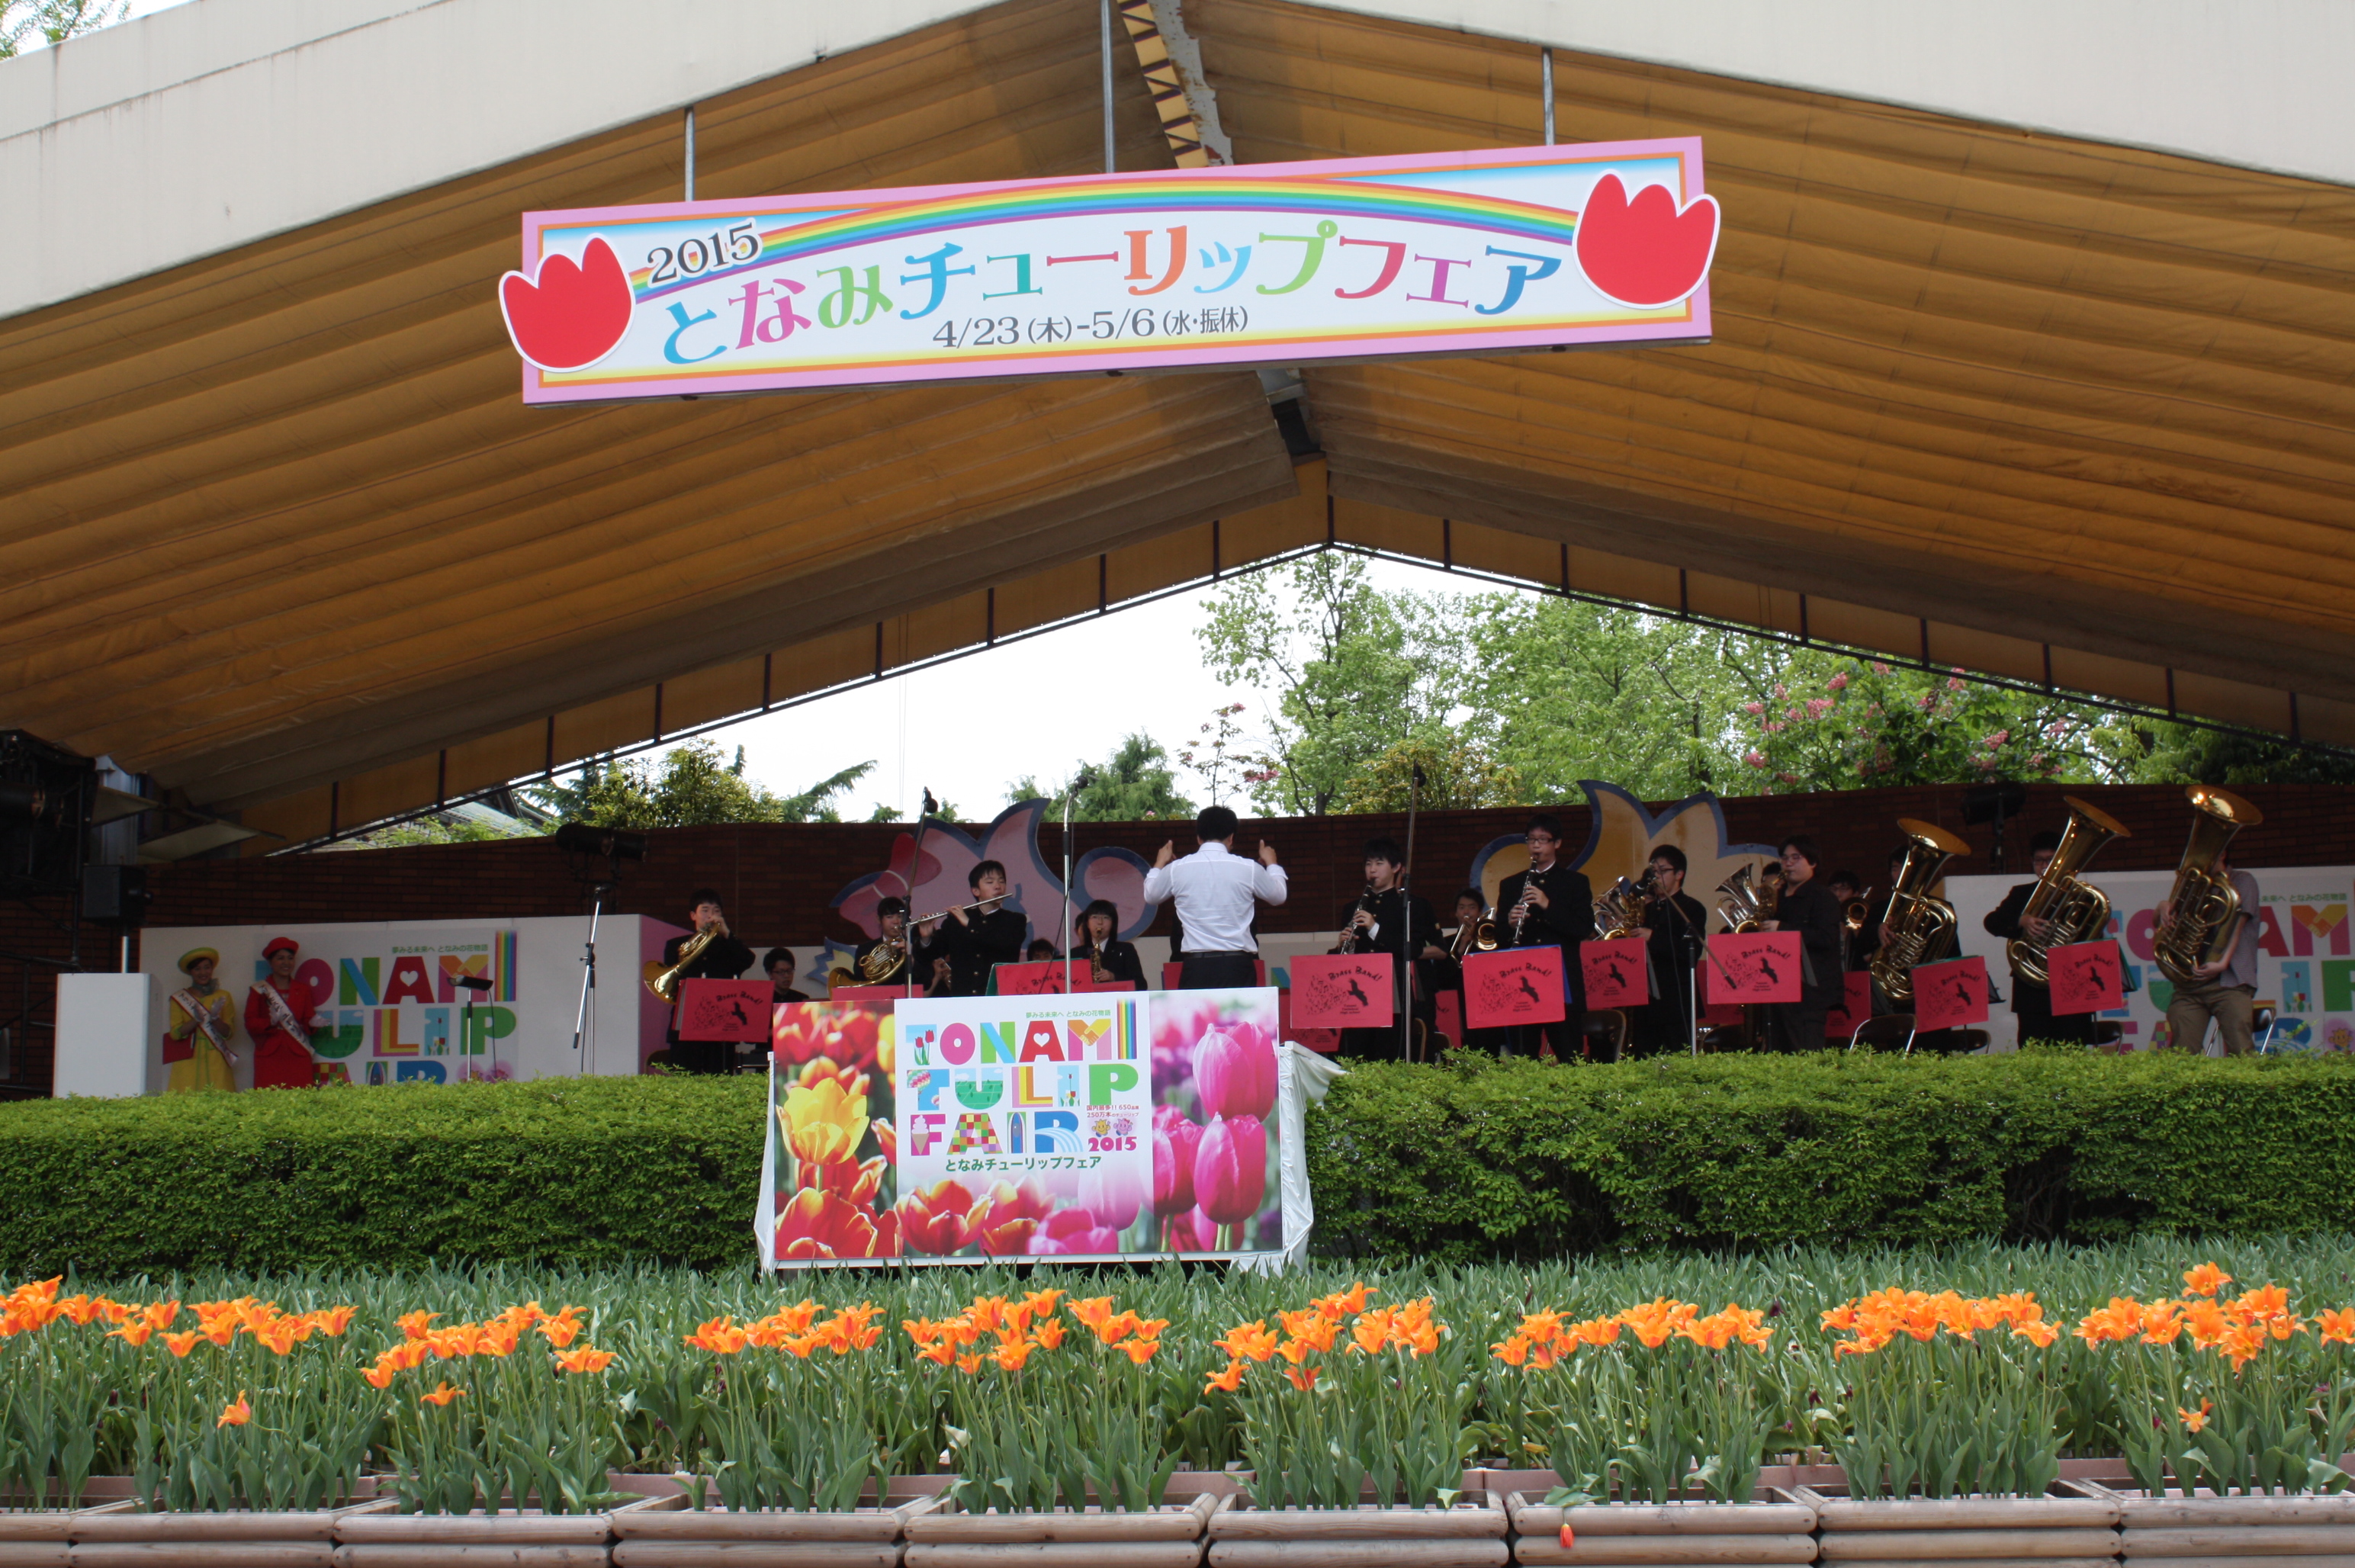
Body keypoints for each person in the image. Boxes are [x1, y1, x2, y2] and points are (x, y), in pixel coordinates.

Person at [1144, 805, 1287, 990]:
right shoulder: (1249, 868)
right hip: (1237, 966)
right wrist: (1272, 863)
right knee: (1239, 1011)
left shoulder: (1177, 868)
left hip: (1196, 967)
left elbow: (1151, 896)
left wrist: (1159, 863)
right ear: (1231, 837)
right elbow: (1279, 896)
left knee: (1199, 1011)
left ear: (1198, 838)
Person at [1335, 836, 1444, 1062]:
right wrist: (1346, 946)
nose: (1372, 870)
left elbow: (1415, 949)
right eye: (1368, 864)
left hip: (1397, 993)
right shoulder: (1351, 908)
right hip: (1360, 994)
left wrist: (1375, 929)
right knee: (1358, 1053)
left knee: (1393, 1052)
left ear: (1396, 868)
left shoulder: (1412, 906)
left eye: (1379, 863)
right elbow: (1345, 961)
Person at [1492, 815, 1592, 1059]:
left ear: (1557, 843)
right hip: (1522, 979)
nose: (1536, 845)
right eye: (1531, 840)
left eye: (1543, 840)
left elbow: (1583, 928)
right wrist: (1510, 923)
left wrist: (1548, 905)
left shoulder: (1575, 883)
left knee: (1569, 1053)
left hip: (1562, 980)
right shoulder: (1511, 885)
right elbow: (1499, 938)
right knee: (1523, 1054)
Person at [1981, 830, 2093, 1047]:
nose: (2044, 865)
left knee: (2073, 1052)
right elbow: (1992, 922)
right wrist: (2021, 921)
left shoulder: (2082, 896)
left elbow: (2093, 936)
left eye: (2050, 860)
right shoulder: (2021, 894)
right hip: (2032, 992)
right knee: (2034, 1053)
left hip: (2073, 986)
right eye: (2039, 860)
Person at [2161, 850, 2263, 1055]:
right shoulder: (2193, 885)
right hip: (2190, 983)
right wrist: (2162, 907)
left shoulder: (2242, 880)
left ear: (2222, 854)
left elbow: (2238, 924)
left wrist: (2223, 962)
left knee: (2241, 1051)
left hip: (2230, 982)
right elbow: (2164, 924)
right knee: (2181, 1053)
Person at [1759, 836, 1842, 1052]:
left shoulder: (1823, 898)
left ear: (1813, 862)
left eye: (1796, 858)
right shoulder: (1777, 898)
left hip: (1810, 995)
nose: (1788, 863)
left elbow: (1825, 938)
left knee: (1805, 1054)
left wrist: (1782, 929)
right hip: (1776, 992)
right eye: (1785, 858)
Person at [662, 889, 754, 1075]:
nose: (711, 915)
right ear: (693, 915)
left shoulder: (728, 946)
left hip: (721, 1026)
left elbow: (747, 960)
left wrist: (727, 933)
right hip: (686, 1024)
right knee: (684, 1077)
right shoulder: (676, 945)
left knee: (720, 1076)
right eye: (705, 910)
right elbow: (672, 976)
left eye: (716, 911)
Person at [1634, 846, 1708, 1056]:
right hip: (1647, 998)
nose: (1656, 876)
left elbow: (1690, 952)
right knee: (1644, 1058)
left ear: (1679, 874)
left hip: (1677, 998)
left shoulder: (1691, 908)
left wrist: (1653, 937)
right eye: (1653, 872)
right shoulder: (1647, 910)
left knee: (1680, 1056)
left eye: (1663, 871)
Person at [933, 860, 1026, 994]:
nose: (998, 886)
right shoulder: (956, 921)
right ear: (976, 891)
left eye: (1001, 881)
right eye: (990, 882)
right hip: (963, 998)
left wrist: (970, 924)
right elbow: (934, 952)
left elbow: (1005, 943)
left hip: (1000, 997)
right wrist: (926, 936)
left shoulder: (1015, 920)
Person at [244, 935, 320, 1090]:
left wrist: (313, 1023)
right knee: (269, 1099)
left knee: (301, 1099)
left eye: (290, 958)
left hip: (298, 1054)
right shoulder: (259, 990)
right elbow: (250, 1022)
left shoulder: (303, 990)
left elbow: (307, 1020)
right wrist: (270, 1023)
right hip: (270, 1054)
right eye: (280, 958)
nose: (286, 963)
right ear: (270, 962)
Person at [162, 946, 238, 1094]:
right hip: (188, 1061)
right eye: (197, 969)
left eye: (207, 967)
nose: (203, 973)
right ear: (191, 972)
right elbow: (175, 1034)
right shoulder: (178, 998)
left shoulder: (223, 996)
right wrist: (195, 1021)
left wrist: (215, 1019)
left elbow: (229, 1034)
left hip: (216, 1059)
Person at [1441, 886, 1502, 1053]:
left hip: (1488, 1004)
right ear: (1456, 913)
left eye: (1472, 907)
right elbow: (1443, 978)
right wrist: (1461, 946)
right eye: (1462, 908)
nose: (1466, 912)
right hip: (1460, 1005)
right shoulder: (1447, 943)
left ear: (1480, 912)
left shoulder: (1490, 939)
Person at [1072, 899, 1146, 988]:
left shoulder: (1126, 950)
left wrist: (1114, 977)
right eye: (1095, 917)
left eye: (1106, 918)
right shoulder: (1075, 953)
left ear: (1113, 924)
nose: (1100, 922)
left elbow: (1141, 984)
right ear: (1087, 923)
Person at [852, 898, 922, 991]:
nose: (896, 921)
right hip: (877, 997)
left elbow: (926, 981)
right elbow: (859, 981)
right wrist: (879, 960)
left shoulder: (915, 945)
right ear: (879, 919)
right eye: (889, 917)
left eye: (900, 916)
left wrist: (911, 959)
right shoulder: (865, 949)